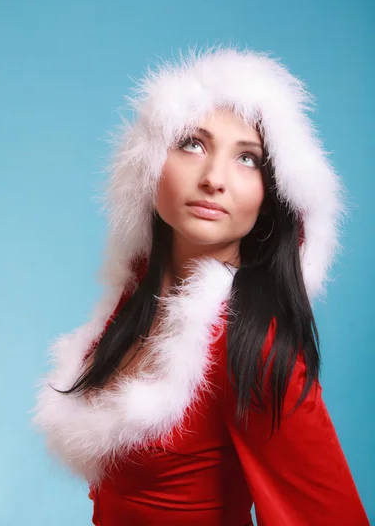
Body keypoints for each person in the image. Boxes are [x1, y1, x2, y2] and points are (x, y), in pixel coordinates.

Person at [31, 46, 370, 525]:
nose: (214, 179)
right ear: (149, 165)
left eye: (247, 159)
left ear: (271, 197)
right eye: (193, 143)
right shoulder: (127, 310)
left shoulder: (250, 345)